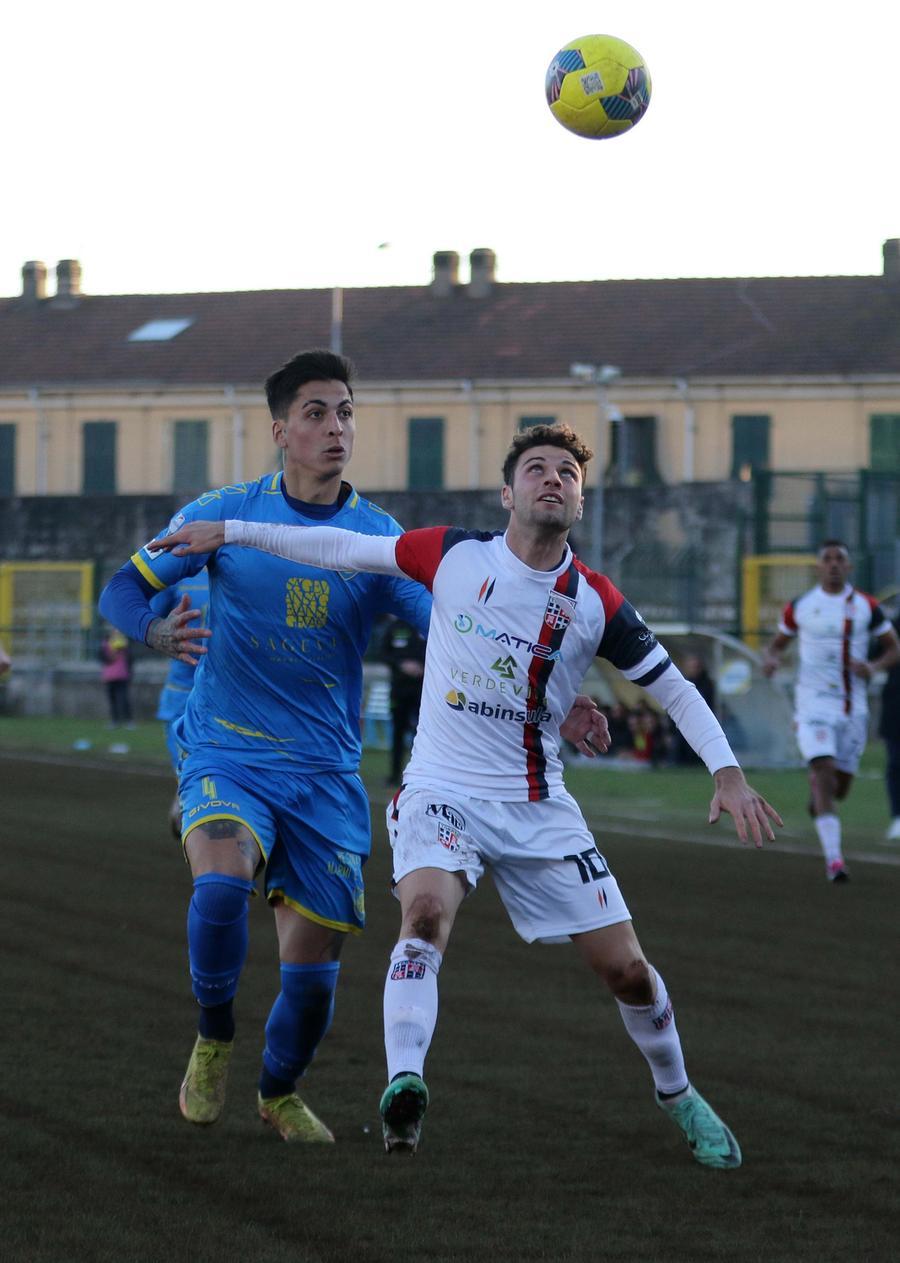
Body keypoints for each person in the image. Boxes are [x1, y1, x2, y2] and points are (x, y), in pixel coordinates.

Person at [152, 421, 782, 1171]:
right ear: (507, 491)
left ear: (579, 502)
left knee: (628, 972)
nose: (553, 479)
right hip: (441, 790)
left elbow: (673, 687)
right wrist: (229, 529)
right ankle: (404, 1086)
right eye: (537, 468)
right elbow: (336, 548)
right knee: (423, 916)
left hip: (538, 805)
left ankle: (679, 1093)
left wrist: (727, 771)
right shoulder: (452, 554)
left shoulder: (594, 601)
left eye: (568, 475)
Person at [100, 353, 605, 1146]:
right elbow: (120, 590)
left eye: (344, 411)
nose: (335, 427)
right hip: (228, 752)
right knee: (223, 885)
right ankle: (213, 1036)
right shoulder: (225, 512)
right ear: (280, 431)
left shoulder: (378, 537)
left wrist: (556, 694)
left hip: (328, 775)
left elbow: (459, 626)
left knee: (311, 973)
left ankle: (277, 1089)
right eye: (315, 413)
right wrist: (158, 631)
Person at [762, 540, 900, 880]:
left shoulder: (867, 606)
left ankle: (819, 796)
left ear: (849, 568)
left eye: (840, 559)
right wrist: (771, 659)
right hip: (812, 706)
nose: (834, 564)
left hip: (853, 711)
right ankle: (834, 861)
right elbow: (778, 644)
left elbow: (893, 648)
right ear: (818, 567)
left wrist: (873, 667)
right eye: (828, 559)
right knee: (823, 770)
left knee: (840, 787)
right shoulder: (801, 606)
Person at [149, 569, 210, 838]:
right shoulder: (180, 568)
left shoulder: (254, 561)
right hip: (182, 698)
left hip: (234, 699)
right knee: (192, 786)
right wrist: (156, 630)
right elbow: (144, 617)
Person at [380, 617, 426, 785]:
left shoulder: (426, 622)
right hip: (398, 690)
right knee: (398, 733)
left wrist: (422, 666)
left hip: (423, 691)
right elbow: (384, 653)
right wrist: (401, 664)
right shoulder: (394, 627)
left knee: (422, 734)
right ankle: (394, 776)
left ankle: (420, 776)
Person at [877, 613, 900, 841]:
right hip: (897, 701)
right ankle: (898, 817)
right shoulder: (893, 624)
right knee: (896, 762)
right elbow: (879, 652)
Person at [99, 627, 133, 727]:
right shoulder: (105, 644)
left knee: (123, 699)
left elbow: (130, 660)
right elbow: (103, 658)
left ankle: (128, 720)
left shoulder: (125, 644)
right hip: (109, 676)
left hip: (122, 675)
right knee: (112, 700)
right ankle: (115, 721)